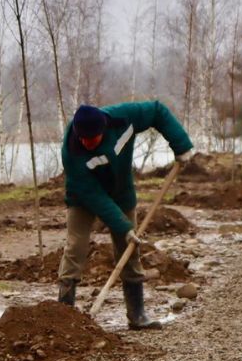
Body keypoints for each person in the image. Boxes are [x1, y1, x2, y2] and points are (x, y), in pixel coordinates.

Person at [57, 101, 194, 331]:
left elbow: (157, 111)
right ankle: (64, 315)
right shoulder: (72, 150)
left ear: (103, 129)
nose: (86, 142)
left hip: (121, 193)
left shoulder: (123, 119)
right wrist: (123, 225)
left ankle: (137, 315)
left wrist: (181, 145)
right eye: (83, 138)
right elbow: (93, 195)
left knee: (129, 249)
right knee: (75, 247)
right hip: (83, 197)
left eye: (91, 139)